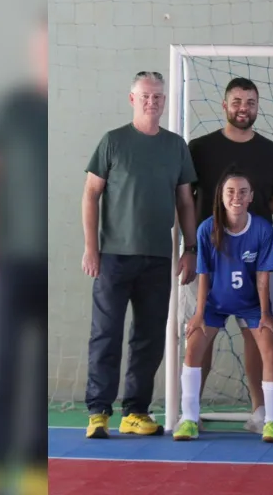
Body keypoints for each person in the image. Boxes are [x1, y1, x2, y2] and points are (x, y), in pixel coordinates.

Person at [82, 71, 198, 438]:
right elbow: (90, 195)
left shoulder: (176, 146)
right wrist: (91, 247)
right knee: (106, 334)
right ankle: (99, 412)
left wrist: (190, 249)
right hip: (113, 257)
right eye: (146, 95)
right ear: (132, 98)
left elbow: (184, 201)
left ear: (164, 101)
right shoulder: (113, 142)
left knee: (149, 337)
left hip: (158, 258)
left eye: (159, 96)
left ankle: (135, 411)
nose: (153, 101)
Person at [0, 12, 48, 495]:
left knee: (40, 370)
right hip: (8, 261)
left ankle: (38, 466)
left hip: (47, 261)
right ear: (32, 51)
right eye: (41, 47)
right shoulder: (10, 108)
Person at [183, 77, 273, 433]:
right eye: (237, 101)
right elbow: (186, 199)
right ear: (225, 105)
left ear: (257, 107)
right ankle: (190, 412)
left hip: (253, 257)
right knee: (201, 332)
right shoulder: (199, 148)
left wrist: (250, 232)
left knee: (258, 333)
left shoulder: (271, 151)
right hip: (208, 256)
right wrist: (190, 248)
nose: (244, 108)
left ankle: (260, 412)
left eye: (251, 102)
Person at [172, 170, 273, 442]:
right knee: (193, 346)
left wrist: (266, 314)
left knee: (269, 347)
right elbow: (204, 275)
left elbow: (263, 275)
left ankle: (270, 421)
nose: (237, 196)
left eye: (243, 191)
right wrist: (199, 314)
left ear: (251, 197)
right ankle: (188, 419)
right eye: (230, 191)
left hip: (251, 304)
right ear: (221, 197)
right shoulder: (207, 228)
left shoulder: (262, 229)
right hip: (214, 303)